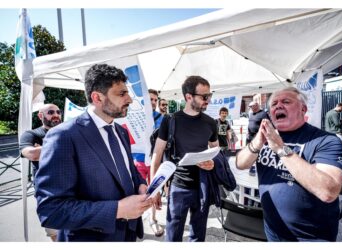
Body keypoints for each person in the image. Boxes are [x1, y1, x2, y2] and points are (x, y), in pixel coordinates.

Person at [35, 64, 153, 242]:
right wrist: (118, 210)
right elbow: (51, 210)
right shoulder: (63, 136)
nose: (129, 99)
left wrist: (140, 185)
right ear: (97, 97)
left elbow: (129, 171)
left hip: (128, 234)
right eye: (122, 94)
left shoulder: (120, 131)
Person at [236, 87, 342, 241]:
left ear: (303, 109)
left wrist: (281, 149)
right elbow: (240, 164)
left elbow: (328, 191)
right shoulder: (266, 136)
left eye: (286, 101)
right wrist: (257, 142)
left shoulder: (326, 141)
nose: (278, 106)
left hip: (311, 238)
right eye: (274, 104)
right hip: (272, 231)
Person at [150, 75, 219, 242]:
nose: (208, 100)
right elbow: (157, 154)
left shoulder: (210, 123)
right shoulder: (170, 121)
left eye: (209, 96)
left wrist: (213, 163)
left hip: (203, 186)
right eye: (204, 96)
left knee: (198, 236)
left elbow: (217, 151)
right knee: (173, 235)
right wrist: (154, 189)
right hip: (178, 187)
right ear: (189, 97)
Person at [19, 103, 62, 241]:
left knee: (76, 231)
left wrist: (42, 148)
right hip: (47, 193)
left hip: (73, 190)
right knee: (56, 234)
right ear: (40, 116)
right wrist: (63, 144)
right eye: (50, 112)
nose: (55, 115)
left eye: (58, 112)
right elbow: (31, 154)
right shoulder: (31, 134)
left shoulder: (66, 131)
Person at [135, 89, 164, 237]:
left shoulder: (161, 118)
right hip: (138, 161)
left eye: (155, 100)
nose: (153, 102)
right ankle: (136, 220)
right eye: (150, 99)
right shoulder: (134, 117)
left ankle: (153, 219)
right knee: (137, 193)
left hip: (154, 161)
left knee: (154, 191)